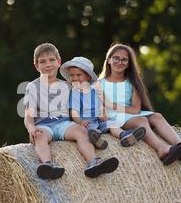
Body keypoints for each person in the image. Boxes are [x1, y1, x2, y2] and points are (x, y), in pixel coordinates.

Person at [24, 43, 119, 179]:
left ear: (59, 62)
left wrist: (99, 113)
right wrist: (31, 128)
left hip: (64, 124)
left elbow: (86, 99)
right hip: (43, 125)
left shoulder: (67, 85)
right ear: (36, 66)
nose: (48, 64)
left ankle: (93, 162)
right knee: (39, 136)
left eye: (51, 60)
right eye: (42, 61)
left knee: (81, 131)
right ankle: (47, 165)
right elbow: (28, 115)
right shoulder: (32, 86)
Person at [96, 43, 181, 165]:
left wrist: (110, 104)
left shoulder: (132, 83)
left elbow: (135, 110)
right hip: (113, 117)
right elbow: (97, 106)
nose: (120, 62)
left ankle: (180, 146)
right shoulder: (98, 83)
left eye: (124, 59)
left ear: (129, 64)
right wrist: (107, 107)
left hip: (130, 113)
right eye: (116, 58)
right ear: (109, 60)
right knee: (141, 121)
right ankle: (162, 149)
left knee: (157, 116)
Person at [60, 56, 146, 149]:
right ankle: (97, 141)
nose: (74, 78)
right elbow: (74, 112)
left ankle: (123, 135)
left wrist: (103, 113)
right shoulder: (75, 93)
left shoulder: (93, 91)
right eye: (72, 75)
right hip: (85, 122)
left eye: (78, 75)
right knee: (88, 131)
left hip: (98, 120)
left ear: (88, 76)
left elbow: (100, 105)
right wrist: (80, 121)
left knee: (112, 124)